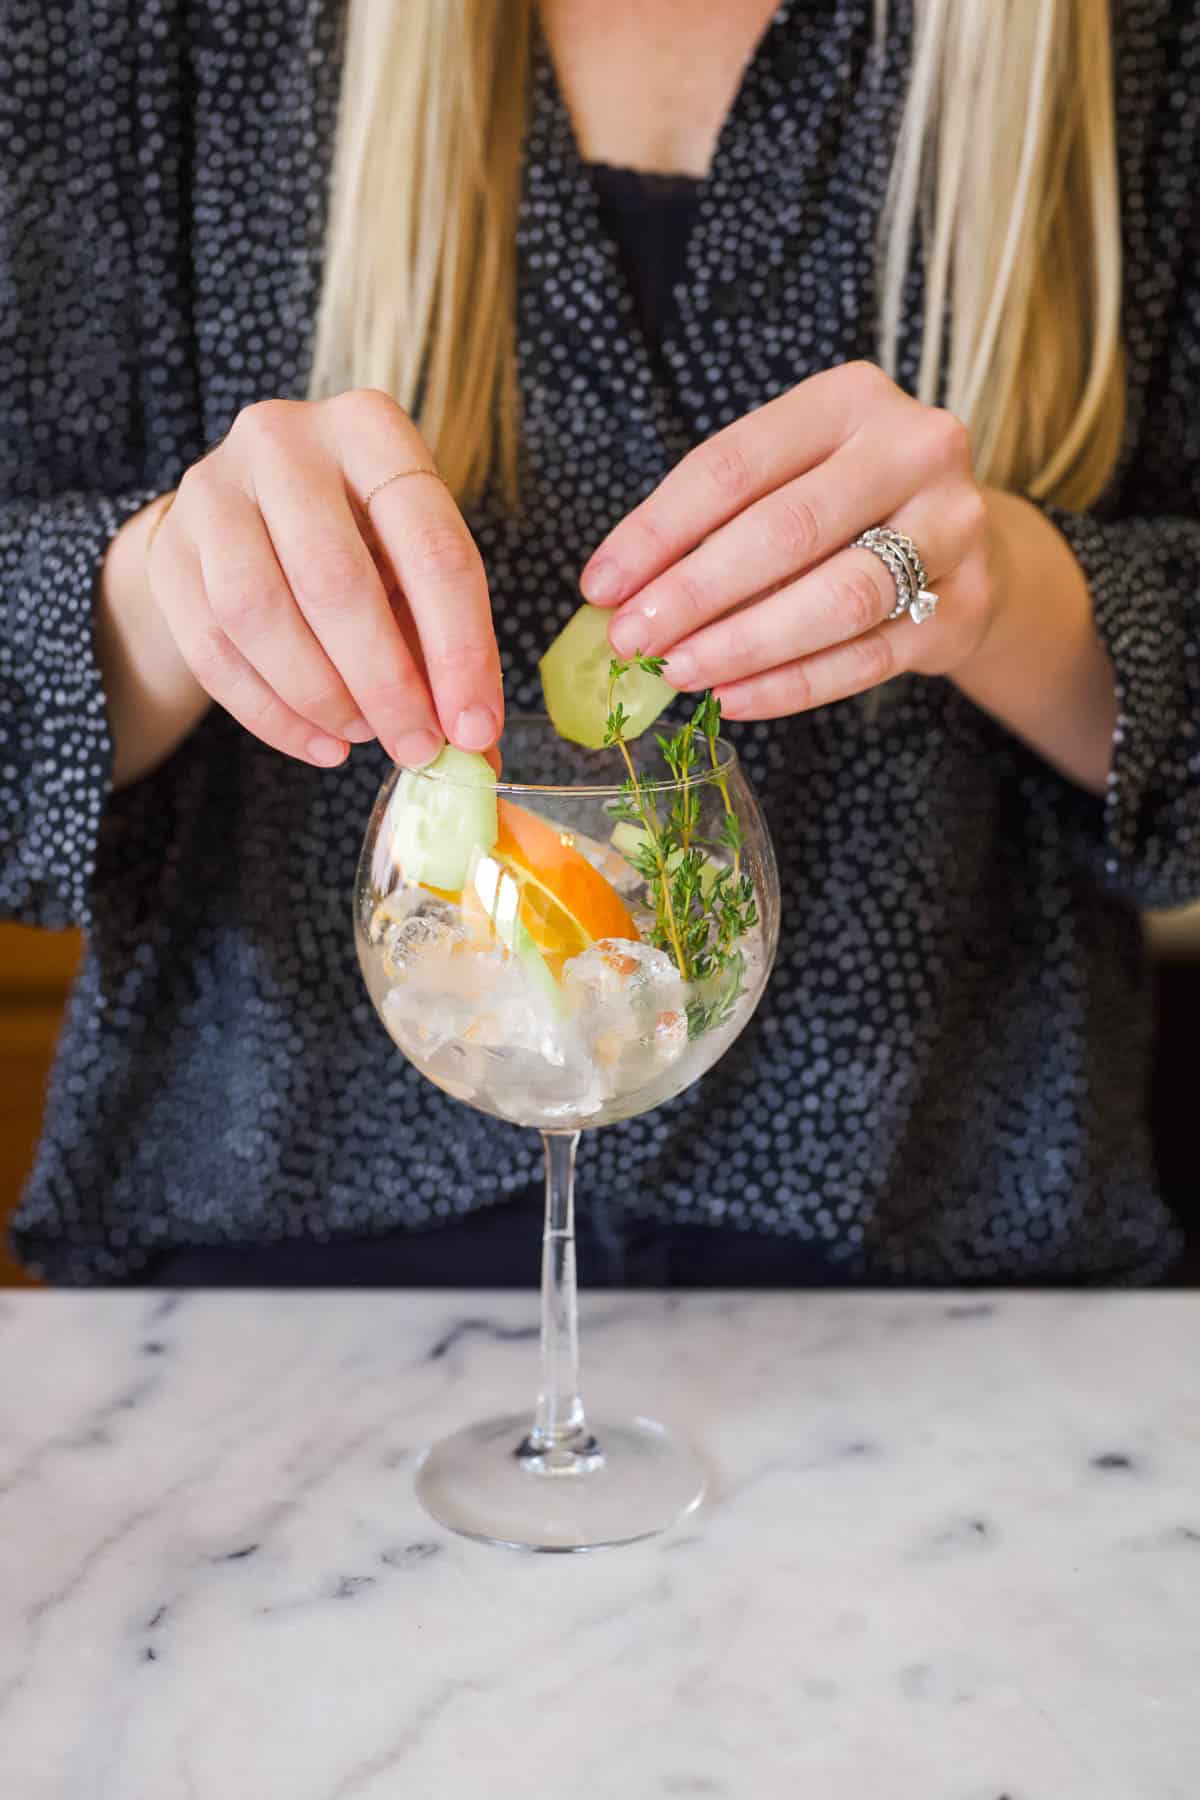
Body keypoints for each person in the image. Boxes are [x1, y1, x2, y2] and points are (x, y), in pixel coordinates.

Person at [2, 0, 1198, 1288]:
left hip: (943, 1236)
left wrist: (1007, 590)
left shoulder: (1141, 47)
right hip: (268, 1254)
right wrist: (171, 585)